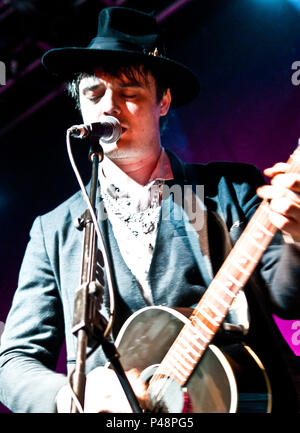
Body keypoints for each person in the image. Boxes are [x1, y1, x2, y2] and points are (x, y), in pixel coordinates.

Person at [0, 6, 300, 414]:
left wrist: (297, 238)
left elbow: (291, 298)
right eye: (95, 94)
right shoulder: (55, 232)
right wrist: (76, 395)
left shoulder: (229, 189)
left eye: (129, 93)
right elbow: (13, 364)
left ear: (163, 102)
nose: (109, 106)